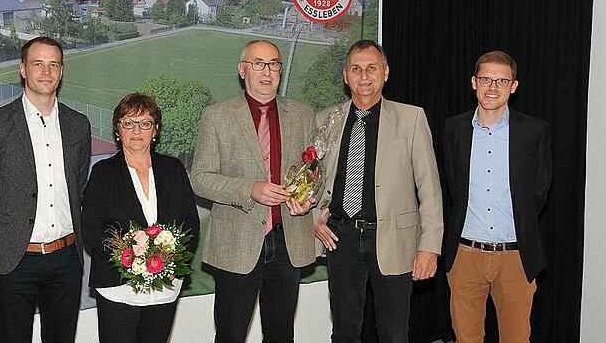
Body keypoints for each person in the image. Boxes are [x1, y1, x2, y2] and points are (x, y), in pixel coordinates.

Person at [312, 39, 443, 343]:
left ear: (386, 72)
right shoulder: (325, 120)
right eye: (356, 69)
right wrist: (314, 217)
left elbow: (430, 188)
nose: (364, 75)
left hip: (395, 240)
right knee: (344, 332)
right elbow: (313, 183)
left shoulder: (412, 118)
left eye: (371, 67)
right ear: (345, 76)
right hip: (340, 239)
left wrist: (429, 248)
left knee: (394, 334)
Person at [191, 39, 317, 343]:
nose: (266, 71)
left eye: (273, 63)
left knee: (281, 334)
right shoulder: (217, 115)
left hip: (289, 242)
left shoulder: (303, 114)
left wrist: (306, 199)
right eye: (258, 63)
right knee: (231, 334)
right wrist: (250, 189)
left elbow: (315, 171)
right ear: (242, 70)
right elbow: (200, 178)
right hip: (237, 244)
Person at [0, 36, 91, 343]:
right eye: (38, 64)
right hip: (15, 260)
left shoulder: (78, 125)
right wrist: (9, 231)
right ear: (22, 69)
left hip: (67, 258)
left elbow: (78, 186)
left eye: (53, 64)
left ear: (61, 72)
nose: (46, 71)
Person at [441, 50, 552, 343]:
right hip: (465, 256)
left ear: (513, 86)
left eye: (502, 81)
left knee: (516, 339)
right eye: (487, 79)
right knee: (466, 338)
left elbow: (540, 191)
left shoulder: (535, 132)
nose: (493, 87)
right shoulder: (453, 129)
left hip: (516, 256)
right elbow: (454, 186)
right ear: (474, 82)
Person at [82, 93, 200, 343]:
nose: (137, 130)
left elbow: (190, 222)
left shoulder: (174, 169)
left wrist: (169, 260)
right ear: (118, 129)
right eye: (128, 123)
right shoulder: (103, 173)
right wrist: (128, 254)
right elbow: (91, 226)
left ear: (155, 130)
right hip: (118, 287)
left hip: (165, 287)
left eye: (145, 123)